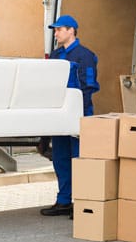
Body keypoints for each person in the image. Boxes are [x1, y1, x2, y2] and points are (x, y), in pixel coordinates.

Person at [40, 15, 100, 218]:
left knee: (79, 160)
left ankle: (81, 202)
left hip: (78, 116)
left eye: (59, 30)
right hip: (59, 117)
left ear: (71, 30)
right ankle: (64, 201)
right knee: (60, 159)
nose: (55, 33)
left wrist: (77, 115)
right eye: (55, 30)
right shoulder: (56, 55)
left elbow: (88, 87)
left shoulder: (85, 56)